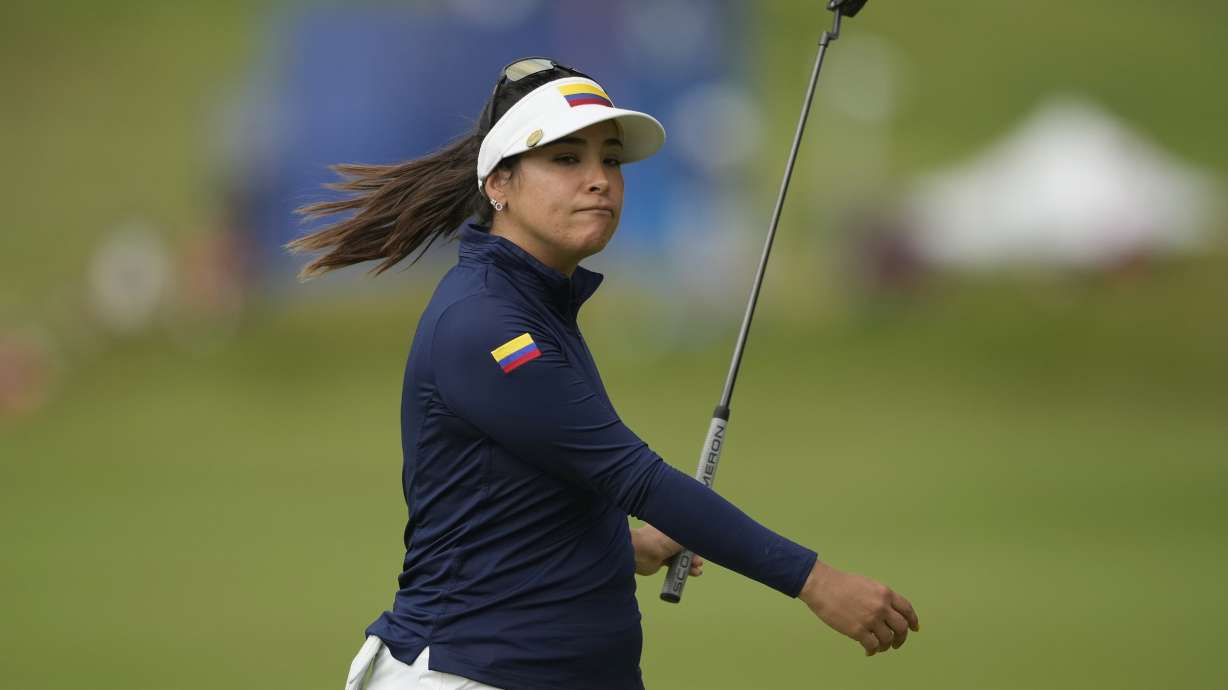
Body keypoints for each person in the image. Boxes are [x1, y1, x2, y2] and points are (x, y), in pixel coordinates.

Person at [289, 58, 920, 690]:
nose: (599, 181)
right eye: (567, 159)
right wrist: (816, 581)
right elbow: (631, 475)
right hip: (463, 673)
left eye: (610, 160)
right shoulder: (486, 323)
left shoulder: (534, 303)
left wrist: (623, 547)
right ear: (499, 182)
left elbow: (521, 491)